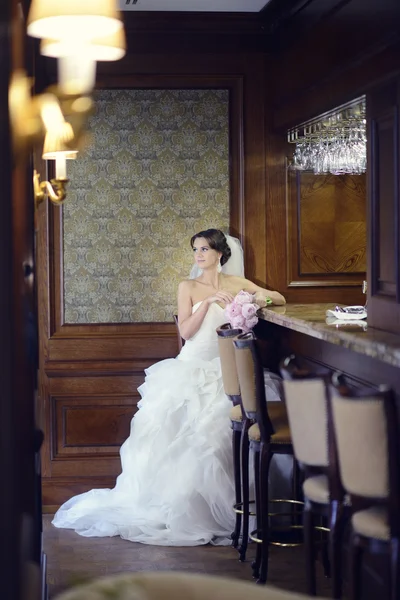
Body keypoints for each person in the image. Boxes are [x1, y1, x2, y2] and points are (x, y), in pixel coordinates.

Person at [52, 229, 286, 546]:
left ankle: (239, 506)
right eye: (195, 250)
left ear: (220, 253)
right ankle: (181, 509)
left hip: (226, 371)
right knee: (175, 434)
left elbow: (280, 298)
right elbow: (187, 331)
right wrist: (206, 304)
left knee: (217, 434)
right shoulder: (187, 286)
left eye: (204, 249)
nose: (199, 255)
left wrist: (254, 299)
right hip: (189, 368)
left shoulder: (238, 284)